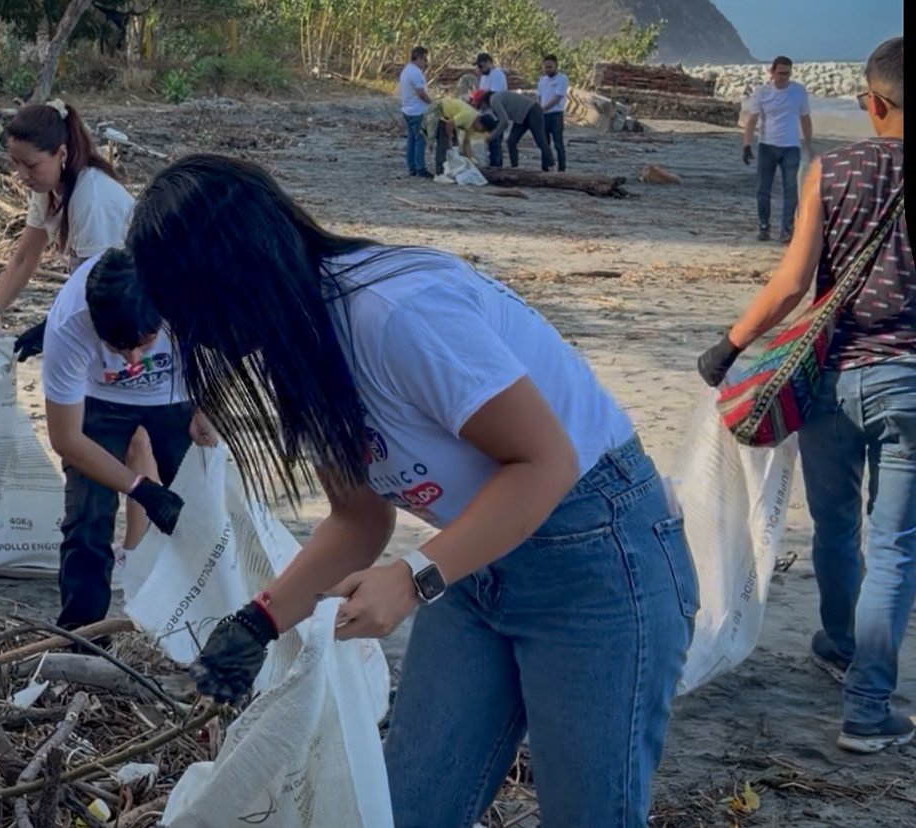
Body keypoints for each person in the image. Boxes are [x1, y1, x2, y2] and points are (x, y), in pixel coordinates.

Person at [126, 154, 697, 828]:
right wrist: (259, 621)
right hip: (479, 563)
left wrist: (415, 578)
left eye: (198, 314)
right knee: (405, 809)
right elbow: (359, 518)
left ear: (236, 274)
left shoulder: (397, 315)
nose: (204, 338)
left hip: (599, 557)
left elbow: (546, 462)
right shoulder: (300, 347)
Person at [698, 37, 910, 755]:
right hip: (910, 383)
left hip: (828, 380)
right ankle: (867, 709)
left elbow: (791, 285)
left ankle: (841, 643)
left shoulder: (833, 168)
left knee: (836, 525)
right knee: (896, 547)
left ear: (872, 103)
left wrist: (728, 347)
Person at [0, 99, 167, 563]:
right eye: (15, 164)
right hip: (97, 316)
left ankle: (137, 546)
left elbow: (99, 288)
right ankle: (137, 545)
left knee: (131, 435)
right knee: (130, 437)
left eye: (29, 164)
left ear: (61, 152)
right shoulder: (51, 189)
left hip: (125, 320)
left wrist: (49, 328)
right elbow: (24, 256)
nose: (22, 174)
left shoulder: (93, 199)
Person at [42, 249, 216, 632]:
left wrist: (207, 405)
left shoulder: (187, 291)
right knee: (88, 519)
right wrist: (140, 488)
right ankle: (82, 635)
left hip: (175, 397)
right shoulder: (70, 323)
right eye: (119, 347)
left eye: (145, 341)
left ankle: (204, 624)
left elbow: (225, 350)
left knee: (199, 511)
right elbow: (66, 438)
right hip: (100, 402)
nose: (133, 359)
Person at [742, 56, 814, 244]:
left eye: (787, 73)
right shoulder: (762, 92)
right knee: (763, 190)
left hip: (791, 147)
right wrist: (746, 145)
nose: (783, 77)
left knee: (791, 189)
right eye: (780, 73)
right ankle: (764, 227)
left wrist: (808, 143)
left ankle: (787, 230)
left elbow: (805, 119)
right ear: (772, 72)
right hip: (767, 146)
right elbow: (752, 119)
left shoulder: (799, 91)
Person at [475, 89, 552, 171]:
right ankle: (515, 167)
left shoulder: (494, 100)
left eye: (480, 106)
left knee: (541, 141)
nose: (482, 109)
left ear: (483, 101)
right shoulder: (495, 100)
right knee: (511, 141)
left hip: (532, 111)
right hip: (521, 118)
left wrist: (492, 136)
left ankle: (550, 165)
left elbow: (504, 121)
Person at [422, 97, 494, 175]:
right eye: (481, 129)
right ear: (480, 123)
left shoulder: (472, 125)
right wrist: (449, 138)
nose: (479, 131)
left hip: (449, 118)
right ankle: (440, 170)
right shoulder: (469, 115)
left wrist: (470, 160)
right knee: (444, 143)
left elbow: (466, 143)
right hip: (439, 110)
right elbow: (449, 124)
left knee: (455, 145)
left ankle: (452, 166)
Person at [398, 47, 433, 179]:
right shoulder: (415, 73)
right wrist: (433, 104)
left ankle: (412, 167)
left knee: (412, 139)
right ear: (418, 58)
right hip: (417, 110)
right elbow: (421, 93)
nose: (425, 62)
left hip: (408, 109)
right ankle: (420, 168)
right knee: (420, 139)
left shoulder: (406, 70)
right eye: (424, 59)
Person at [537, 55, 568, 172]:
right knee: (544, 144)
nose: (548, 69)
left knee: (558, 144)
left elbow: (557, 98)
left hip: (556, 115)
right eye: (546, 67)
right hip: (543, 116)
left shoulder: (562, 79)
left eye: (550, 67)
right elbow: (539, 97)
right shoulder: (542, 81)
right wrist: (539, 110)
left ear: (556, 66)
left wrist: (544, 108)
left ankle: (561, 169)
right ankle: (545, 168)